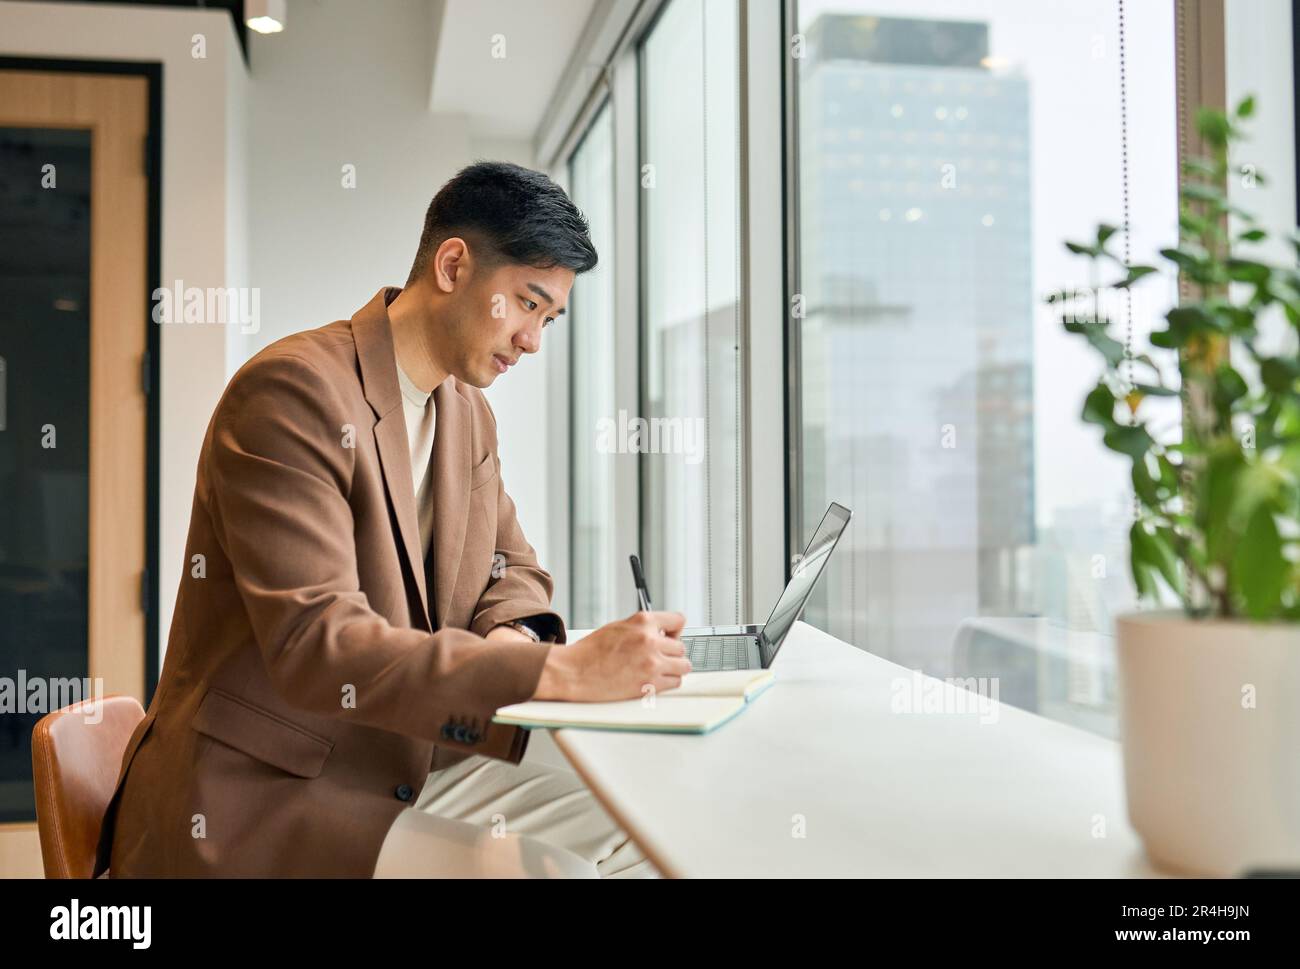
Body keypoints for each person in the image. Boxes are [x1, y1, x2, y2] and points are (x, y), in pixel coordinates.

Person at [94, 161, 690, 878]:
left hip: (397, 758)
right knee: (551, 873)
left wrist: (510, 638)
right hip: (260, 797)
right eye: (528, 304)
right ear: (452, 264)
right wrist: (555, 672)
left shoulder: (467, 416)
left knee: (643, 828)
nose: (534, 339)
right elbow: (319, 644)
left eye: (550, 318)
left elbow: (515, 570)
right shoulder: (292, 392)